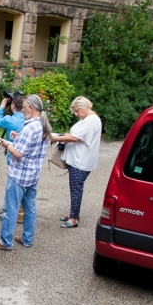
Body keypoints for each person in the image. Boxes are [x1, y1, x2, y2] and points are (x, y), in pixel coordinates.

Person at [0, 94, 52, 251]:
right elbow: (30, 147)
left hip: (19, 175)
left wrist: (6, 144)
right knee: (30, 208)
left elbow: (18, 153)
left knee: (11, 209)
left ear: (31, 108)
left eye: (23, 108)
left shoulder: (29, 127)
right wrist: (16, 139)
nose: (22, 111)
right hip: (33, 174)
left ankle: (5, 242)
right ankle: (27, 238)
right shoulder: (42, 125)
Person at [50, 96, 102, 228]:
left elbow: (75, 137)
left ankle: (74, 218)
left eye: (77, 110)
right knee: (75, 188)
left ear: (85, 107)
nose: (76, 113)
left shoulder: (91, 120)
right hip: (79, 160)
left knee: (76, 189)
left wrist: (54, 138)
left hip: (81, 162)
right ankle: (74, 213)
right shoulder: (87, 119)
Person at [0, 93, 26, 224]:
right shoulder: (28, 119)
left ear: (12, 105)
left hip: (13, 154)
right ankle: (21, 213)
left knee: (13, 186)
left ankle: (14, 213)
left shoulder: (9, 119)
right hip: (25, 155)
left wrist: (2, 106)